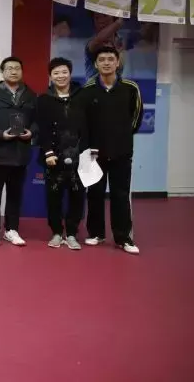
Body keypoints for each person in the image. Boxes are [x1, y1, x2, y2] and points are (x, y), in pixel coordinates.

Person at [80, 46, 142, 255]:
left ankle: (123, 238)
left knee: (120, 195)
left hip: (121, 152)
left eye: (110, 59)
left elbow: (136, 118)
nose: (106, 63)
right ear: (96, 64)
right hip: (93, 153)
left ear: (117, 63)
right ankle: (96, 233)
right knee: (94, 193)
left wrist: (121, 137)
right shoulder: (88, 89)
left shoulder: (130, 88)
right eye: (102, 60)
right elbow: (83, 122)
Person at [0, 56, 37, 247]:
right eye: (9, 68)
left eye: (17, 68)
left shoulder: (30, 95)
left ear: (22, 71)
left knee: (15, 194)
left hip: (20, 153)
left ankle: (12, 229)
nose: (13, 71)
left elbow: (37, 121)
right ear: (2, 72)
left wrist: (32, 132)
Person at [36, 57, 88, 250]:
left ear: (70, 74)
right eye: (56, 73)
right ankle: (57, 232)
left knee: (77, 196)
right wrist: (48, 152)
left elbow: (89, 126)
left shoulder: (82, 96)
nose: (61, 76)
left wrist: (89, 152)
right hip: (54, 156)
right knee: (54, 196)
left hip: (80, 156)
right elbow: (42, 128)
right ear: (50, 76)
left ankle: (72, 233)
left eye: (64, 72)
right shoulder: (44, 99)